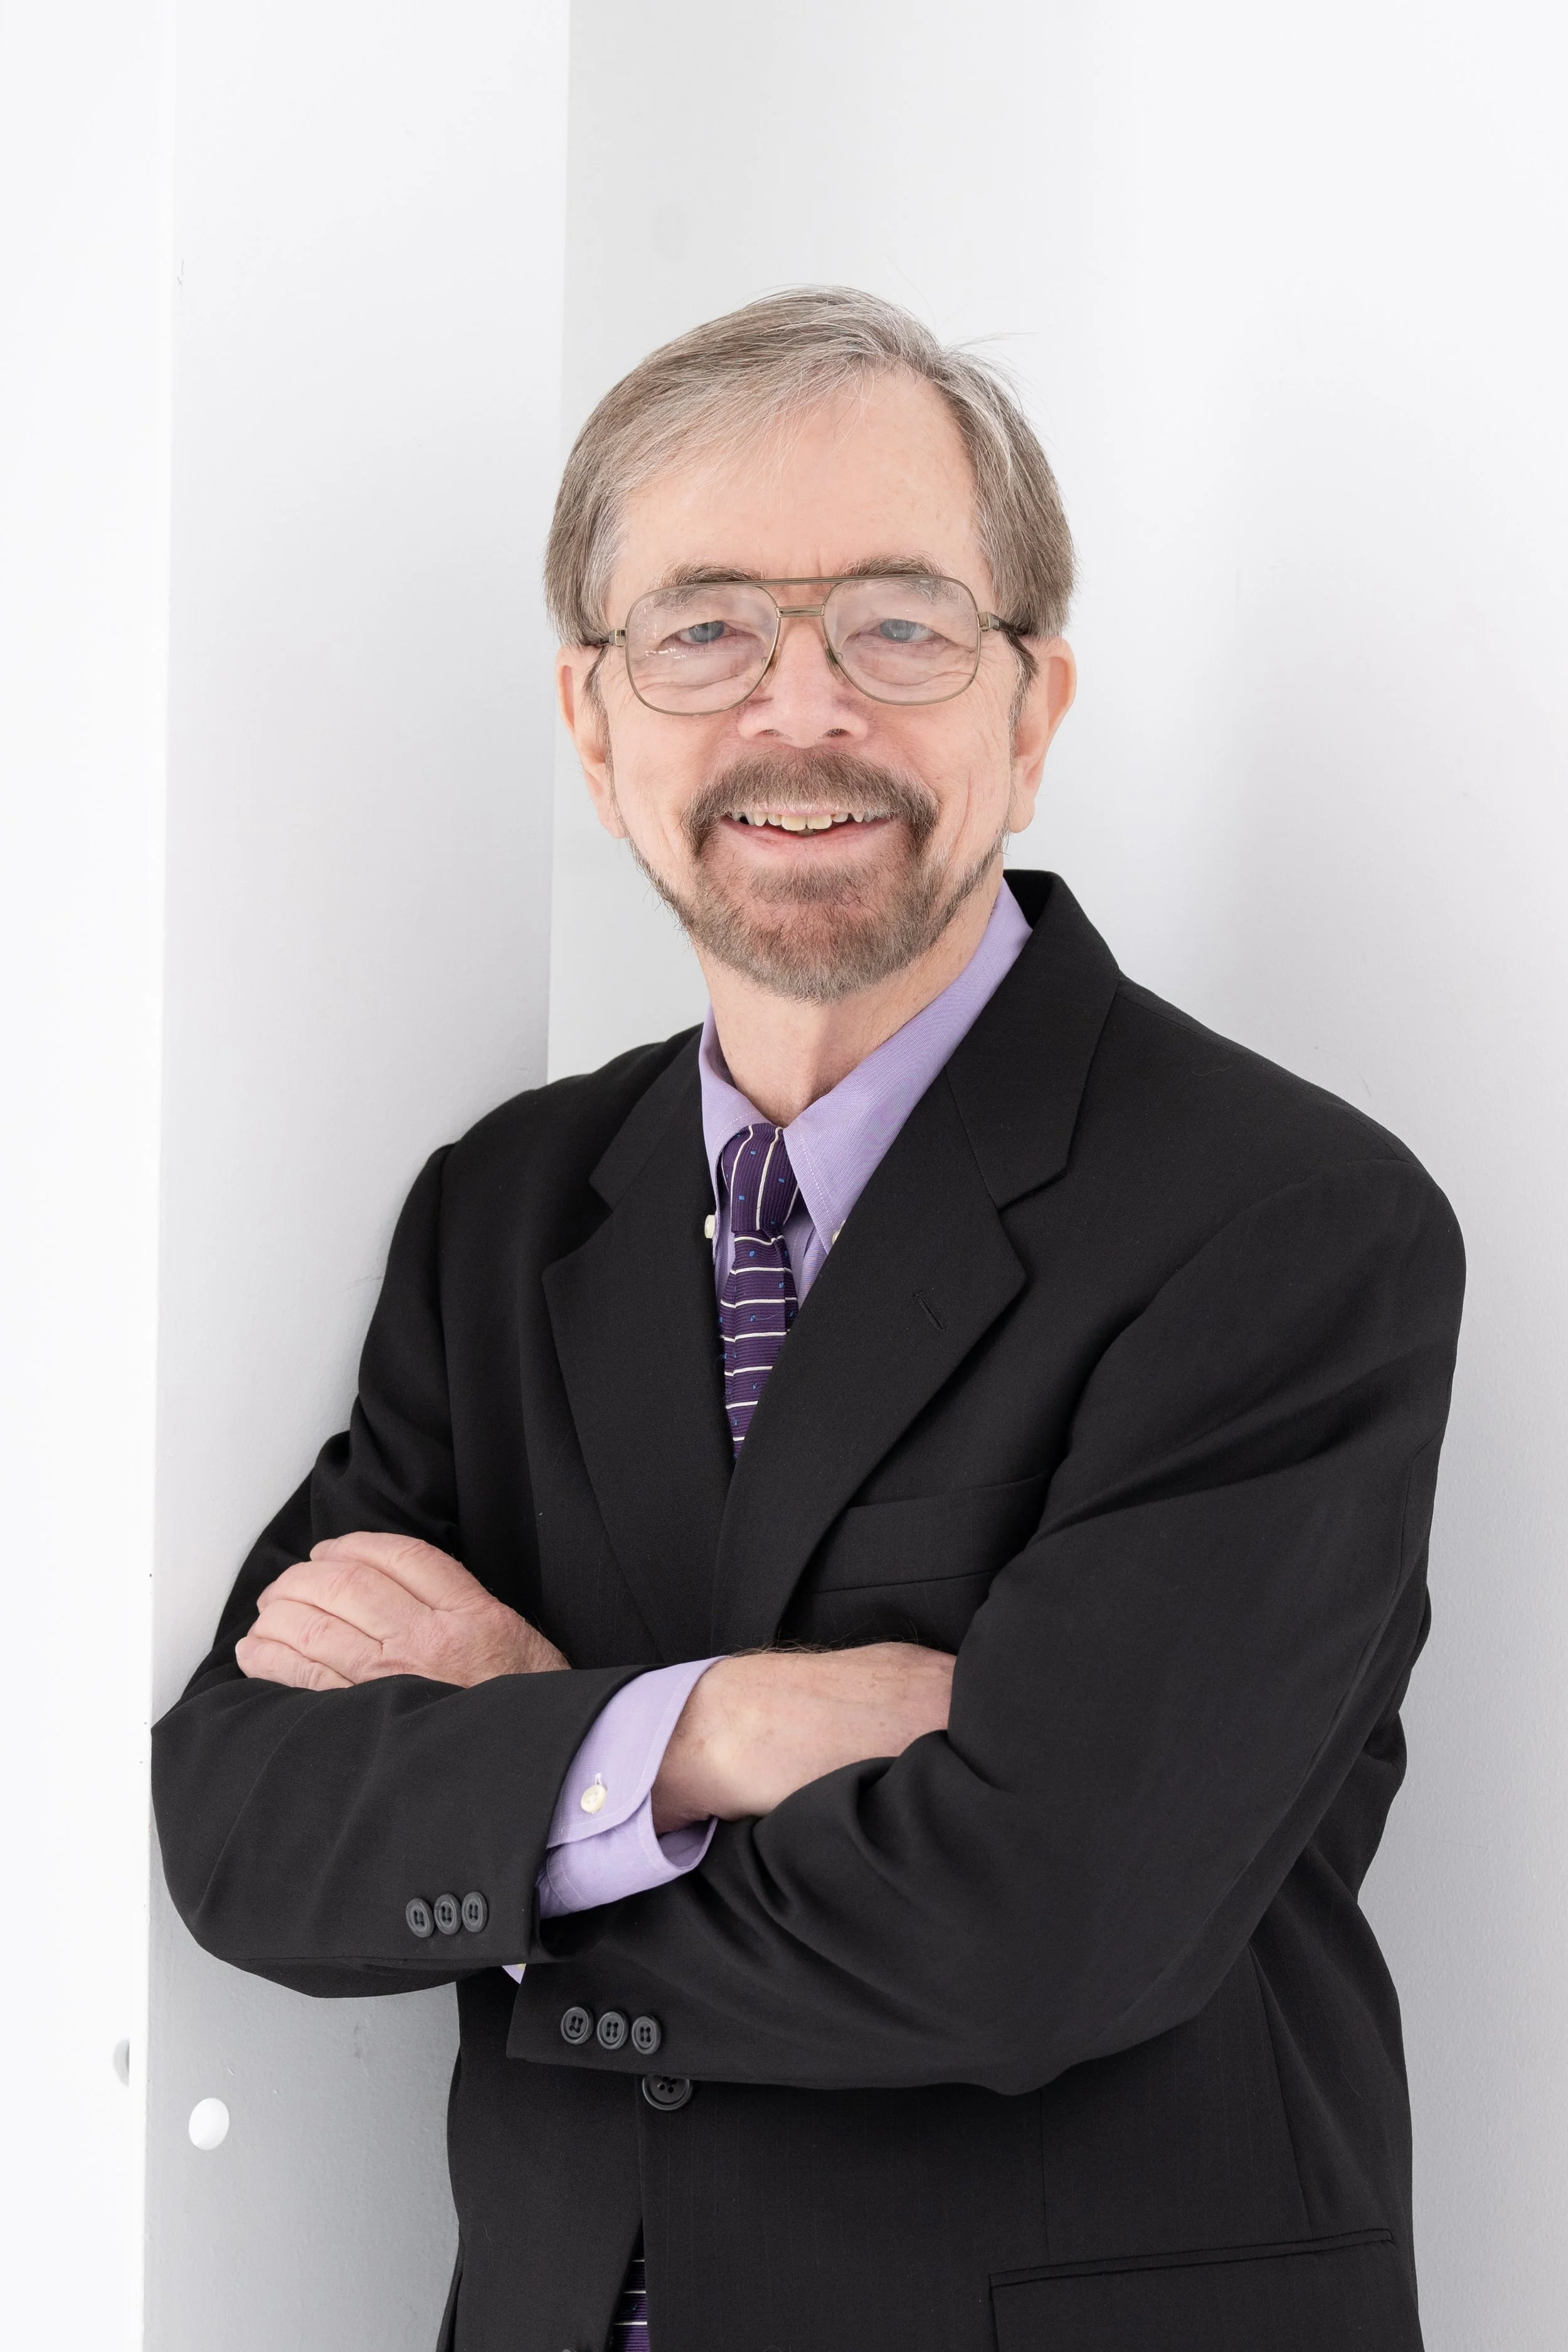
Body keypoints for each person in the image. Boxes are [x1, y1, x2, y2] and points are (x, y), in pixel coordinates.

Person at [152, 288, 1464, 2352]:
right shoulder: (501, 1213)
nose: (803, 707)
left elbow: (1046, 1922)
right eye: (703, 629)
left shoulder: (1282, 1225)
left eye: (898, 622)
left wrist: (520, 1758)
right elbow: (243, 1817)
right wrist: (710, 1727)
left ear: (1028, 711)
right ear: (595, 727)